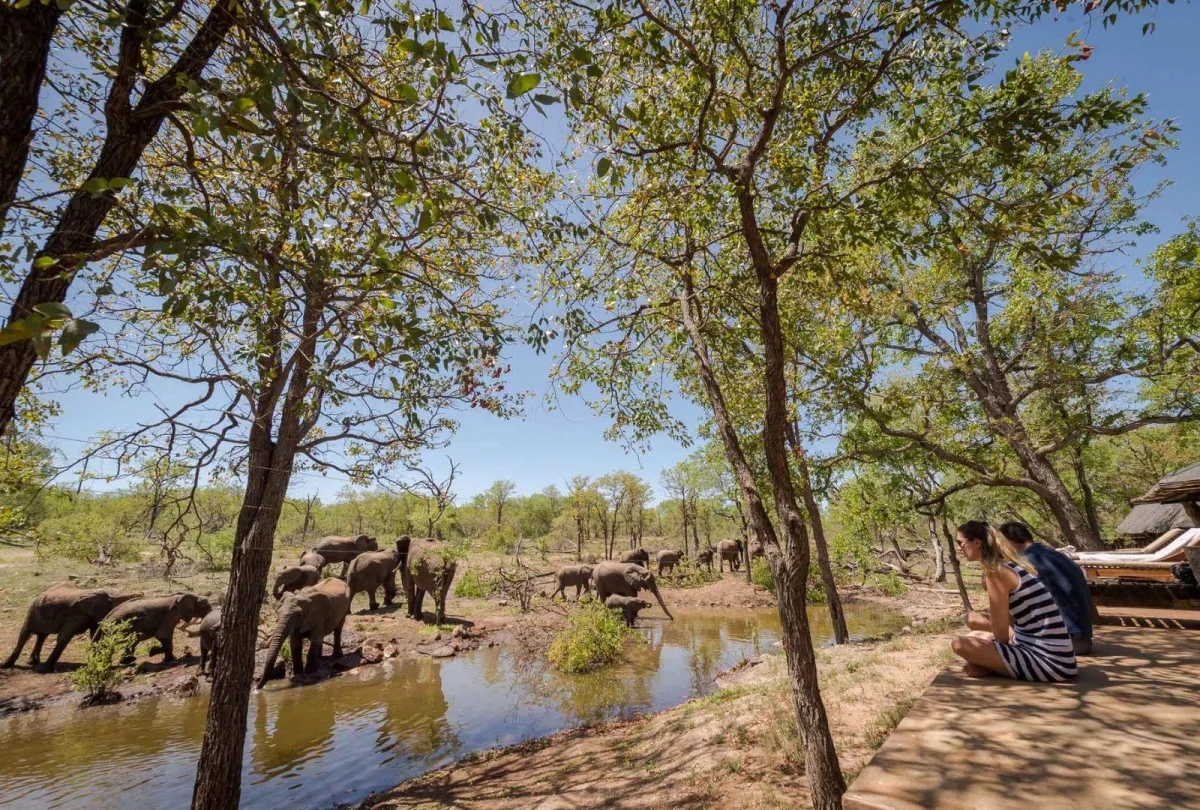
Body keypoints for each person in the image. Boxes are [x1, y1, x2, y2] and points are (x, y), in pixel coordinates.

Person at [951, 521, 1078, 682]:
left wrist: (987, 661)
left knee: (960, 644)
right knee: (975, 635)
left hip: (1052, 663)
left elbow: (1000, 632)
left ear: (977, 542)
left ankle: (995, 669)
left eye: (960, 543)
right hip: (1055, 654)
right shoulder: (1010, 566)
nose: (959, 548)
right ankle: (997, 666)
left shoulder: (996, 572)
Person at [998, 521, 1094, 656]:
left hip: (1064, 641)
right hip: (1081, 636)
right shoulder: (1052, 554)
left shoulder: (1027, 561)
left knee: (980, 621)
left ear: (1009, 541)